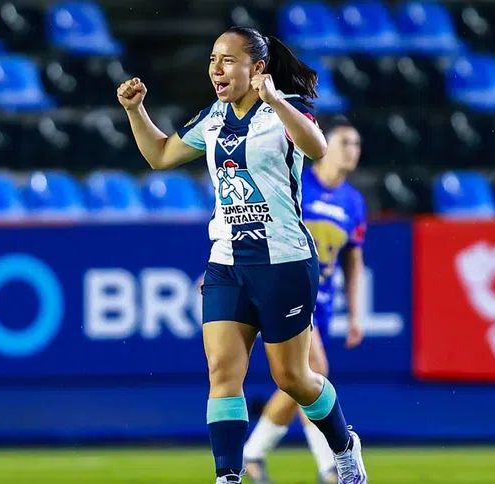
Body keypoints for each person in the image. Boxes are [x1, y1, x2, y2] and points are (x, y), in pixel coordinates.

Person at [117, 26, 368, 484]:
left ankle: (344, 446)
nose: (216, 68)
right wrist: (136, 112)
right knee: (222, 373)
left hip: (284, 262)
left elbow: (317, 147)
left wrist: (275, 100)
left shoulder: (286, 110)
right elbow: (160, 155)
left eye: (228, 60)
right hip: (227, 262)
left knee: (292, 378)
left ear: (257, 68)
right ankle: (228, 476)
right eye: (213, 59)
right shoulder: (212, 118)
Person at [243, 116, 368, 484]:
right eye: (345, 142)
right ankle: (332, 466)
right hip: (286, 289)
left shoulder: (353, 202)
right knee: (317, 371)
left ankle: (252, 453)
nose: (352, 150)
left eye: (357, 144)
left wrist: (356, 314)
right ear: (324, 144)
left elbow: (353, 262)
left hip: (322, 303)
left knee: (298, 382)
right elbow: (255, 221)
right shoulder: (297, 181)